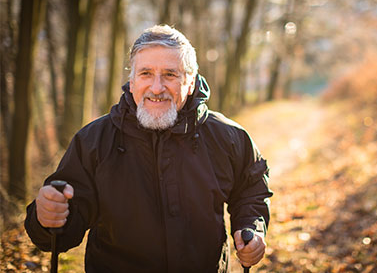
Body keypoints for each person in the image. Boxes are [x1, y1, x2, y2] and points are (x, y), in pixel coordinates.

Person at [25, 24, 273, 273]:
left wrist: (251, 227)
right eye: (146, 74)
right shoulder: (93, 141)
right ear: (131, 82)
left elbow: (250, 189)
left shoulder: (228, 137)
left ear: (190, 82)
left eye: (170, 74)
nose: (156, 88)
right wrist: (47, 219)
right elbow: (60, 232)